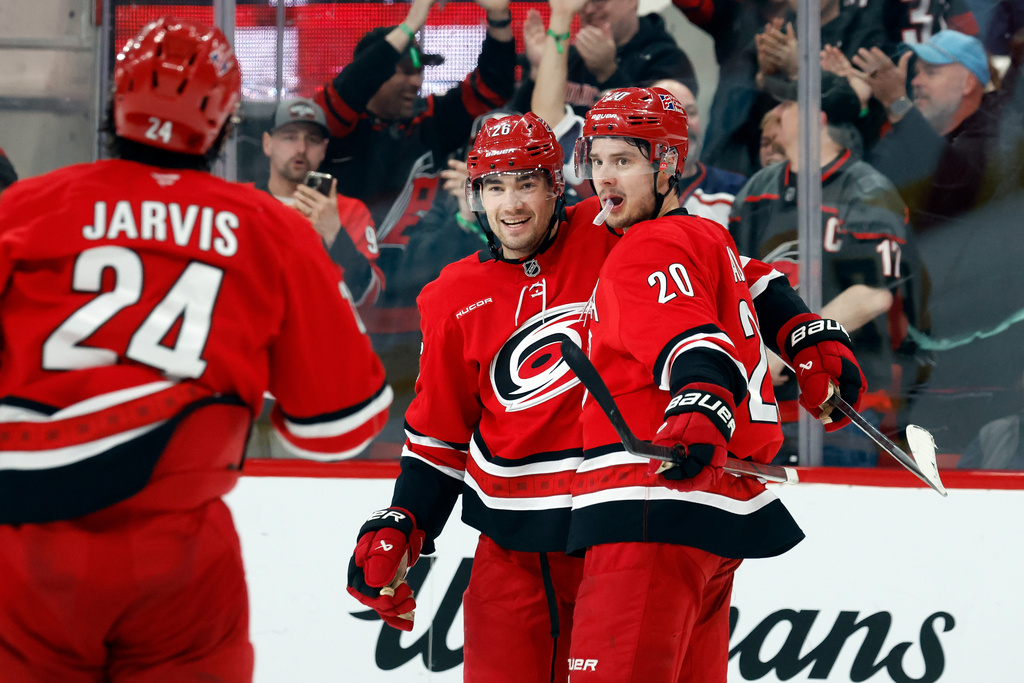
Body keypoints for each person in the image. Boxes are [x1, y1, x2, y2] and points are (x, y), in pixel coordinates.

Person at [0, 17, 391, 681]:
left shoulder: (25, 209)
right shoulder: (272, 228)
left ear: (114, 103)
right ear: (227, 121)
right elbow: (338, 427)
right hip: (179, 556)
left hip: (25, 550)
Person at [564, 86, 866, 682]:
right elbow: (762, 287)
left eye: (623, 160)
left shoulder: (645, 247)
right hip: (715, 513)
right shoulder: (707, 235)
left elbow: (699, 348)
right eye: (596, 160)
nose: (604, 177)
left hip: (651, 502)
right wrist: (809, 340)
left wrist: (700, 413)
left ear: (669, 165)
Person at [314, 0, 516, 451]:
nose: (414, 80)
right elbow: (350, 87)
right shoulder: (336, 130)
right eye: (401, 70)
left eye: (419, 70)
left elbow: (494, 84)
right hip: (350, 318)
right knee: (353, 445)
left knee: (418, 445)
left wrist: (499, 18)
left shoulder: (433, 121)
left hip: (420, 324)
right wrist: (412, 21)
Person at [729, 73, 927, 465]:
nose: (777, 112)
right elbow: (734, 277)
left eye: (788, 104)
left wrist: (792, 346)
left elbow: (872, 294)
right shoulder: (758, 189)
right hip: (764, 400)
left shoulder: (868, 189)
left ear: (816, 117)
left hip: (841, 403)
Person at [852, 29, 1002, 234]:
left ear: (967, 83)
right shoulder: (912, 132)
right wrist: (858, 107)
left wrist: (896, 102)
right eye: (917, 72)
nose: (915, 81)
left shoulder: (996, 135)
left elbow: (954, 180)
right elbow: (866, 180)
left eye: (931, 72)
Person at [259, 97, 382, 305]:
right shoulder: (241, 204)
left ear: (324, 149)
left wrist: (335, 234)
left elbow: (371, 295)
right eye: (290, 137)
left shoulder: (350, 210)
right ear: (267, 143)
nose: (301, 148)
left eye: (312, 140)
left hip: (322, 332)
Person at [515, 0, 698, 116]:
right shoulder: (569, 57)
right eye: (582, 2)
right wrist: (539, 72)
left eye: (599, 1)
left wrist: (609, 73)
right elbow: (521, 122)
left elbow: (661, 129)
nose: (589, 10)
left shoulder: (667, 59)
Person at [648, 78, 747, 227]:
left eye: (691, 112)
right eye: (670, 115)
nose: (685, 125)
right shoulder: (627, 191)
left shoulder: (736, 189)